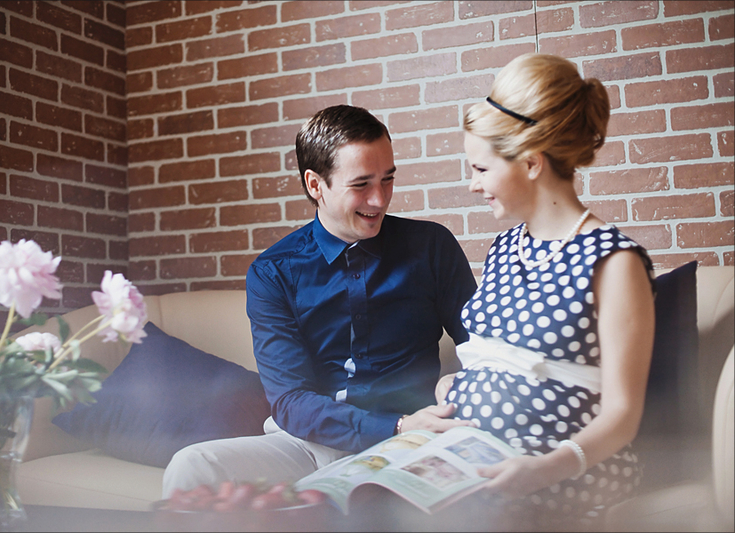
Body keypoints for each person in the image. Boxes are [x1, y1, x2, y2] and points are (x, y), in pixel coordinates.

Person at [163, 105, 478, 497]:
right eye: (361, 184)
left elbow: (484, 347)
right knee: (191, 466)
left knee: (357, 498)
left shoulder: (431, 247)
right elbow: (291, 401)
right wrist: (395, 426)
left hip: (408, 444)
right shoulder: (273, 273)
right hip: (307, 444)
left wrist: (456, 383)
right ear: (315, 185)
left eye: (388, 179)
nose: (379, 199)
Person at [434, 53, 656, 529]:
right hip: (479, 467)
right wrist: (457, 385)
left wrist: (543, 469)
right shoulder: (504, 247)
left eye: (481, 169)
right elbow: (502, 357)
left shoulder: (615, 262)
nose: (472, 185)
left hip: (565, 474)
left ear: (532, 163)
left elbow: (622, 414)